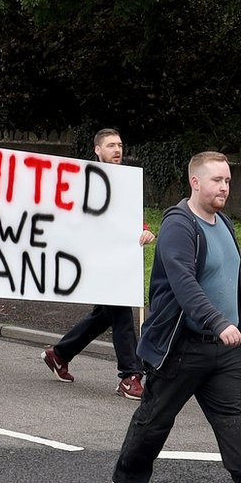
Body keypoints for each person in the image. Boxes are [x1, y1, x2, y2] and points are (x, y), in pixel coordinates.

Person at [113, 151, 241, 483]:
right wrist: (218, 321)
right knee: (153, 425)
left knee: (236, 425)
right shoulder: (178, 225)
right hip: (181, 349)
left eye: (227, 180)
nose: (225, 187)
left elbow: (230, 280)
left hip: (225, 353)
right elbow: (184, 283)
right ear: (195, 182)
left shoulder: (223, 223)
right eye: (217, 180)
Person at [41, 129, 155, 399]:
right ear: (97, 150)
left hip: (118, 259)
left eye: (120, 145)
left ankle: (59, 354)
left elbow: (129, 218)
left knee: (105, 315)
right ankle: (130, 375)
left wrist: (144, 231)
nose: (118, 150)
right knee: (121, 312)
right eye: (111, 145)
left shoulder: (127, 181)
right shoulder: (83, 179)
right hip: (94, 260)